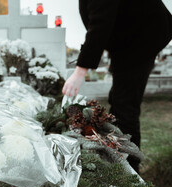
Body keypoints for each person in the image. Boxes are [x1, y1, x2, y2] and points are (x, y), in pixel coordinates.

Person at [62, 0, 172, 173]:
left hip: (142, 36)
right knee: (119, 100)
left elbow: (101, 22)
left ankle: (129, 170)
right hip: (131, 37)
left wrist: (80, 72)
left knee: (125, 105)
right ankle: (119, 158)